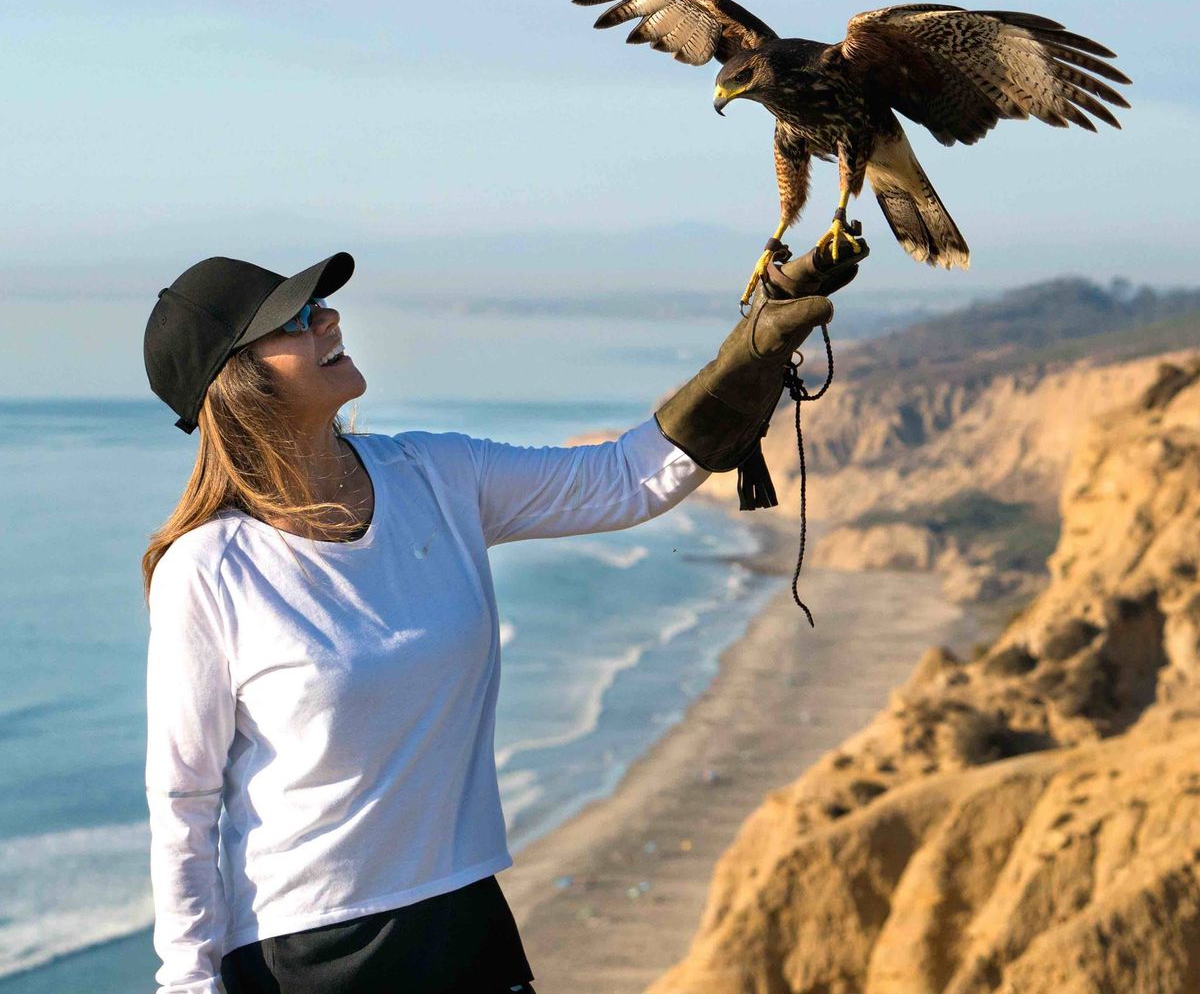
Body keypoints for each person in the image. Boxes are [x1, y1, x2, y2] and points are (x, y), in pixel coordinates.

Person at [141, 248, 853, 994]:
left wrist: (753, 350)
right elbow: (184, 800)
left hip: (465, 921)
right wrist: (190, 983)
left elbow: (622, 482)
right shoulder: (208, 570)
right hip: (310, 957)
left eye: (316, 304)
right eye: (294, 319)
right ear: (240, 381)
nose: (329, 317)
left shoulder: (435, 474)